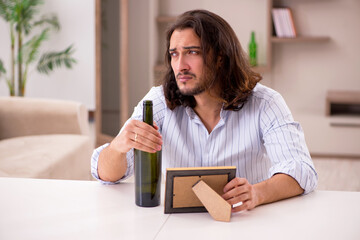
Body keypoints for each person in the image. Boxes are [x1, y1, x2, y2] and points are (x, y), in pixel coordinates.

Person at [91, 9, 318, 212]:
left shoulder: (265, 103)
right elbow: (106, 175)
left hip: (244, 223)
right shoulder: (158, 102)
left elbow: (301, 170)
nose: (180, 65)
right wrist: (119, 146)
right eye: (174, 54)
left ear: (220, 57)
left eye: (192, 52)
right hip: (176, 227)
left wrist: (258, 193)